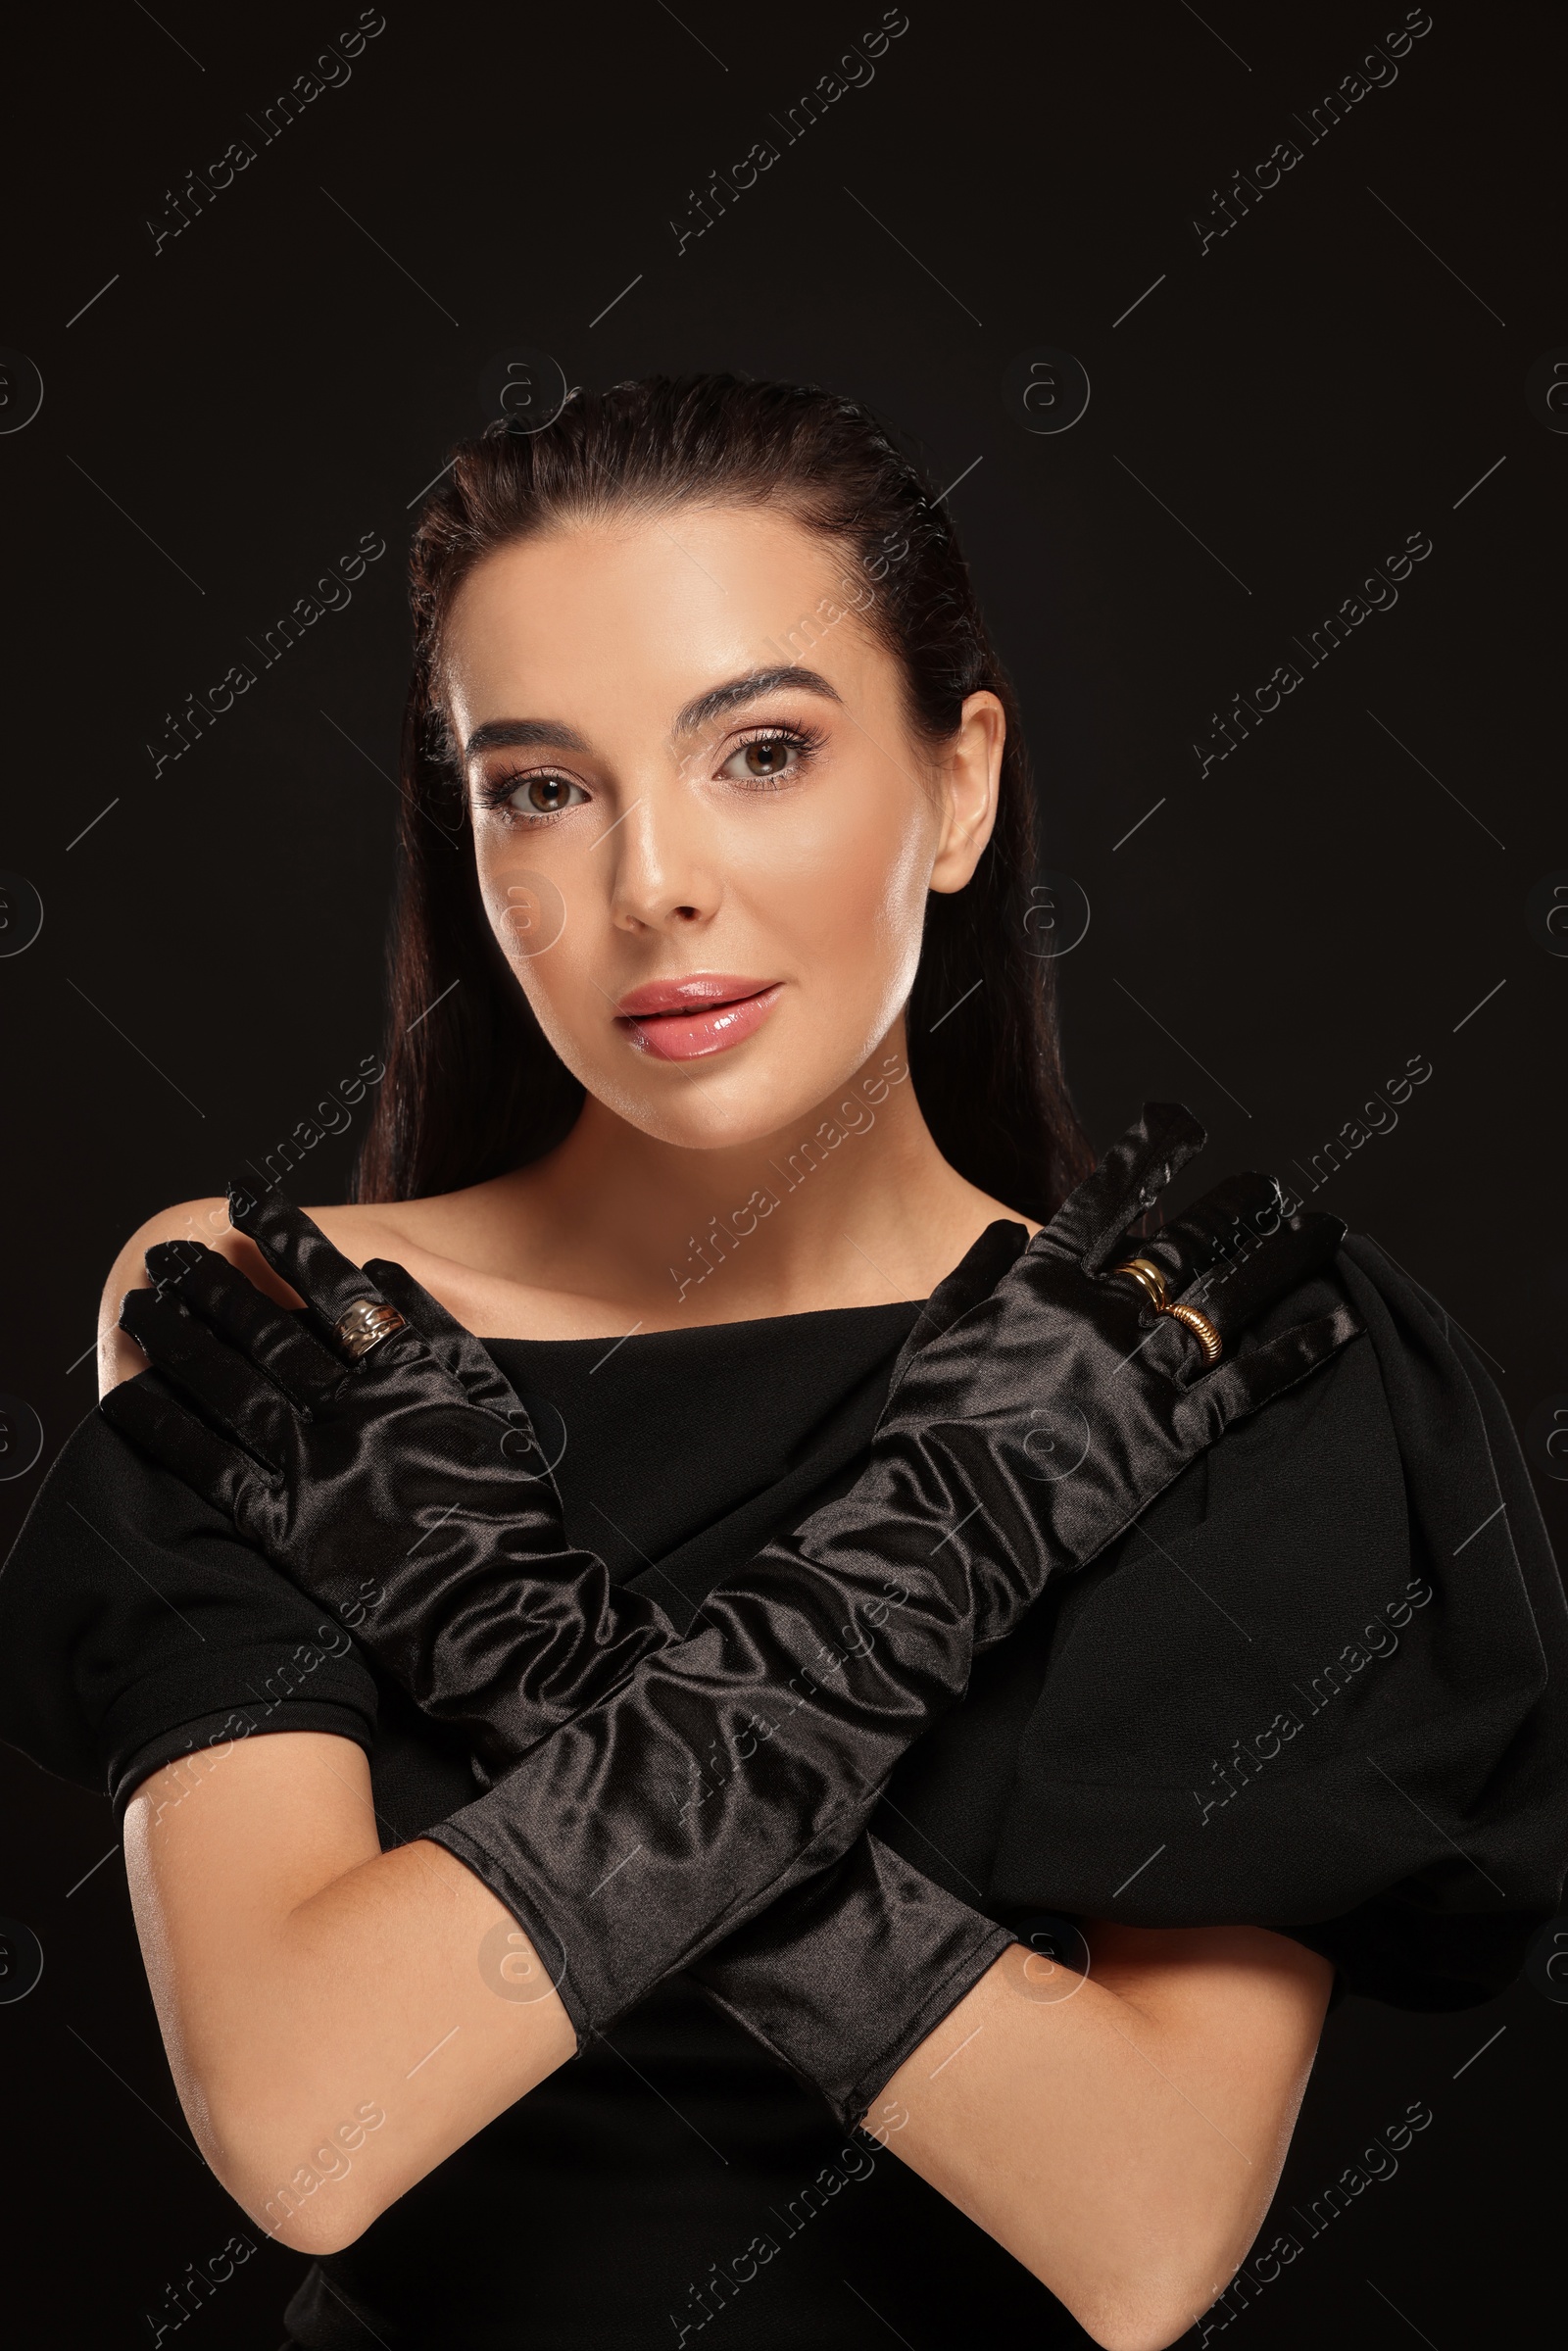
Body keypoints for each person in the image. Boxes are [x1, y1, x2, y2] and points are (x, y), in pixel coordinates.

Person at [2, 376, 1563, 2351]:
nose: (648, 879)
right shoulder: (276, 1330)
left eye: (757, 750)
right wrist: (912, 1583)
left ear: (960, 782)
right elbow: (316, 2126)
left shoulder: (1195, 1359)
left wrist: (527, 1647)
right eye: (541, 787)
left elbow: (1141, 2232)